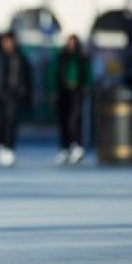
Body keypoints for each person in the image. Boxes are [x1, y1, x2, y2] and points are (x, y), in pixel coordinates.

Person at [0, 31, 32, 167]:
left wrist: (27, 94)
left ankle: (9, 148)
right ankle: (0, 146)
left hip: (14, 94)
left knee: (12, 121)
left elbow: (27, 78)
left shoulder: (20, 58)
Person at [54, 34, 90, 165]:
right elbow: (53, 74)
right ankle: (65, 147)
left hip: (77, 92)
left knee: (75, 120)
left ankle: (76, 145)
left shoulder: (81, 58)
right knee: (63, 121)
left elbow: (87, 74)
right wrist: (53, 91)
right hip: (63, 93)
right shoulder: (61, 58)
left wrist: (86, 87)